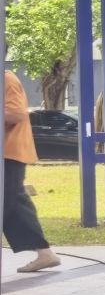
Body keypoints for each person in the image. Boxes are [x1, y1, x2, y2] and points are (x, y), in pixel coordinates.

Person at [4, 72, 59, 273]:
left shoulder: (6, 79)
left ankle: (45, 253)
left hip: (9, 153)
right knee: (15, 204)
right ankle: (45, 254)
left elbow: (17, 113)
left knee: (9, 202)